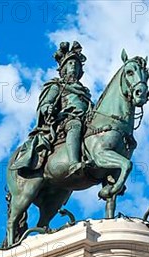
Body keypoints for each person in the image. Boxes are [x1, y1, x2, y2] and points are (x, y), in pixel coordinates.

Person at [11, 41, 93, 177]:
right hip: (66, 120)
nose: (74, 66)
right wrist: (48, 108)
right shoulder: (56, 85)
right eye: (70, 63)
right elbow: (45, 103)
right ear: (64, 68)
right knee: (75, 125)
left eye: (76, 65)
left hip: (86, 120)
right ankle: (73, 163)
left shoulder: (85, 92)